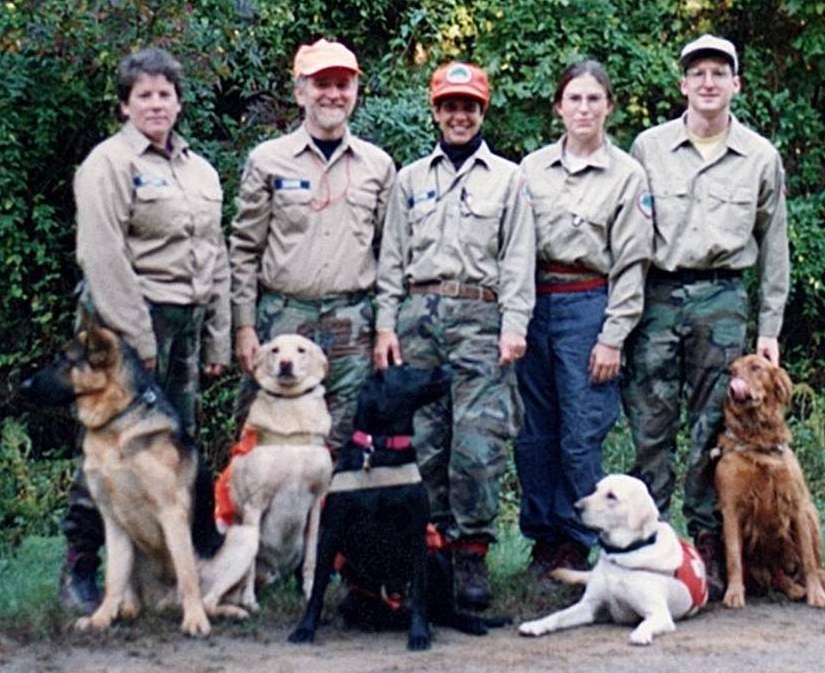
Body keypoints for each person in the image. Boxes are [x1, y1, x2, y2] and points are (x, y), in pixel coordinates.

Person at [61, 46, 231, 612]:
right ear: (125, 105)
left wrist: (218, 334)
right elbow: (102, 254)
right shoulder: (108, 164)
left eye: (165, 94)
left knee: (169, 451)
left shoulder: (199, 170)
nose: (156, 104)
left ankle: (161, 578)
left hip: (185, 320)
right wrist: (136, 340)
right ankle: (80, 568)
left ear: (179, 103)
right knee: (108, 449)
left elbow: (215, 254)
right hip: (125, 326)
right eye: (144, 95)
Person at [623, 34, 790, 599]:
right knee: (650, 424)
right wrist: (621, 313)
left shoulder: (760, 156)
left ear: (735, 84)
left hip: (722, 299)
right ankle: (646, 543)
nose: (708, 82)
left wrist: (768, 328)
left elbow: (775, 245)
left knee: (710, 429)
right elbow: (629, 233)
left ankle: (708, 546)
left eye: (720, 73)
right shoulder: (649, 147)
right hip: (659, 294)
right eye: (698, 73)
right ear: (683, 84)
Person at [373, 62, 535, 610]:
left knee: (477, 444)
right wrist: (385, 323)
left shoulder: (509, 179)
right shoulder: (410, 179)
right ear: (436, 112)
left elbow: (518, 259)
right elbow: (391, 259)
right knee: (423, 441)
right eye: (449, 106)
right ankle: (428, 549)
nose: (458, 115)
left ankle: (470, 554)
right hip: (419, 317)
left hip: (481, 317)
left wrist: (515, 325)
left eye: (468, 106)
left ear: (481, 111)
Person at [515, 60, 653, 576]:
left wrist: (613, 336)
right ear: (558, 106)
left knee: (579, 434)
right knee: (534, 434)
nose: (584, 108)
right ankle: (544, 538)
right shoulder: (531, 170)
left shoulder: (627, 175)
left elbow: (632, 263)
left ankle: (582, 541)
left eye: (594, 98)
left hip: (588, 305)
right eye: (574, 98)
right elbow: (512, 247)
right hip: (534, 304)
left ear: (609, 106)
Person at [229, 38, 396, 452]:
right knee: (262, 444)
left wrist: (385, 327)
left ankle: (331, 499)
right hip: (283, 321)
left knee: (342, 443)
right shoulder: (268, 160)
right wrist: (244, 326)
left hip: (352, 325)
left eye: (343, 84)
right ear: (300, 91)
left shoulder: (378, 166)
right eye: (322, 84)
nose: (333, 94)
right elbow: (245, 249)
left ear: (355, 92)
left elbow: (392, 255)